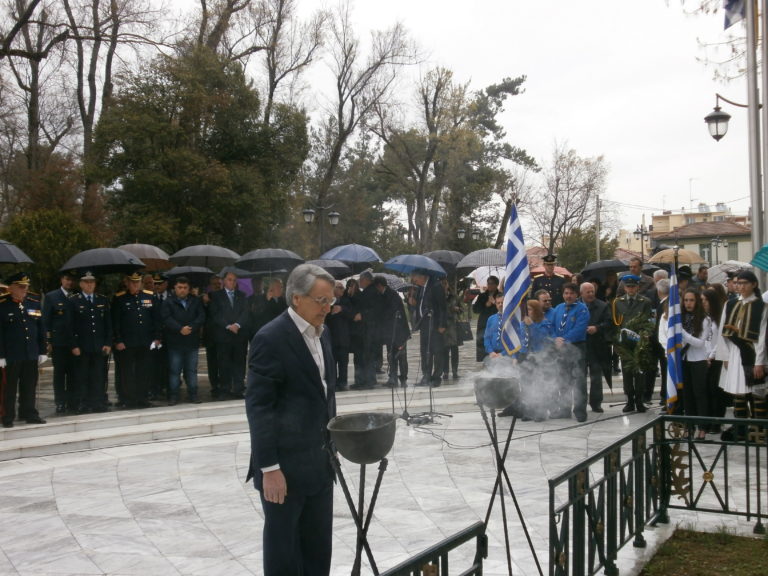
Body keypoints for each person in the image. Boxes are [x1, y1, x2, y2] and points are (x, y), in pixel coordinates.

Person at [245, 264, 337, 576]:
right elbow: (259, 408)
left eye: (331, 302)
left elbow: (326, 394)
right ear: (296, 298)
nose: (326, 309)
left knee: (317, 550)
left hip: (320, 465)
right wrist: (269, 468)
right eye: (320, 301)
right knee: (284, 555)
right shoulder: (270, 338)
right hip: (283, 471)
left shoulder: (324, 335)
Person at [714, 270, 768, 441]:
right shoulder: (730, 304)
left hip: (752, 353)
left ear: (754, 285)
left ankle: (759, 430)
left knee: (756, 392)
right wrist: (725, 357)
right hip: (735, 353)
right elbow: (723, 331)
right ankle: (741, 428)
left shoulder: (761, 306)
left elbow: (762, 336)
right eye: (738, 283)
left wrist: (760, 362)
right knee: (738, 391)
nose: (741, 286)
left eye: (745, 283)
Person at [0, 273, 47, 427]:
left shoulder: (33, 302)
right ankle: (8, 416)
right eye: (21, 287)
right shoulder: (3, 305)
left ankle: (29, 413)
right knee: (10, 387)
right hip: (12, 354)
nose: (24, 290)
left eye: (26, 287)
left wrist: (42, 351)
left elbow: (40, 329)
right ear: (11, 288)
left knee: (29, 385)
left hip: (30, 352)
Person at [112, 272, 161, 408]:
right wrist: (118, 340)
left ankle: (142, 398)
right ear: (127, 283)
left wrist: (157, 337)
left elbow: (156, 319)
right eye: (133, 282)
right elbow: (116, 322)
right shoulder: (120, 298)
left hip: (145, 341)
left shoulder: (149, 296)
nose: (135, 285)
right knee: (127, 372)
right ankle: (129, 399)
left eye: (137, 282)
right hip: (127, 342)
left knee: (144, 371)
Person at [70, 271, 112, 413]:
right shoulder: (74, 300)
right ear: (81, 284)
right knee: (82, 376)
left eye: (92, 282)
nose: (89, 285)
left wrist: (108, 342)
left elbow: (108, 324)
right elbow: (69, 325)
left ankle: (97, 402)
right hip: (82, 345)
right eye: (86, 282)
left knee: (98, 375)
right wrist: (74, 345)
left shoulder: (102, 300)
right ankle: (82, 403)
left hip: (98, 345)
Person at [611, 274, 653, 413]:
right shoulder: (618, 302)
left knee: (640, 372)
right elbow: (616, 323)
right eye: (628, 286)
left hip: (639, 342)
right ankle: (629, 400)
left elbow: (648, 322)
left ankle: (639, 400)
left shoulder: (645, 301)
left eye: (633, 286)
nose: (631, 289)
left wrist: (646, 335)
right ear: (624, 287)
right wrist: (616, 343)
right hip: (625, 343)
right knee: (627, 372)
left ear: (638, 287)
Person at [162, 276, 205, 405]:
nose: (182, 290)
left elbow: (201, 316)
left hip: (191, 341)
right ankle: (173, 396)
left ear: (188, 289)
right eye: (180, 287)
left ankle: (193, 394)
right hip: (175, 342)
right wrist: (180, 328)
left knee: (191, 370)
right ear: (175, 288)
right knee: (175, 370)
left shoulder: (195, 301)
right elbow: (166, 318)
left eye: (185, 288)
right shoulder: (168, 302)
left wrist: (191, 327)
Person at [549, 283, 589, 421]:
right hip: (561, 349)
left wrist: (564, 339)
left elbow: (580, 328)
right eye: (566, 293)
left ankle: (580, 411)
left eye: (571, 293)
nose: (568, 296)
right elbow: (552, 326)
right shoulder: (558, 308)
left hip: (576, 347)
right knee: (563, 380)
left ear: (577, 295)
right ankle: (564, 409)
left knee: (579, 380)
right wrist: (555, 338)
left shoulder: (582, 309)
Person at [208, 271, 250, 399]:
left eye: (234, 280)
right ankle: (224, 389)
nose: (232, 282)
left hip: (239, 335)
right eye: (230, 279)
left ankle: (238, 388)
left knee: (239, 362)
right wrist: (228, 326)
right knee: (224, 363)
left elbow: (245, 312)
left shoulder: (242, 295)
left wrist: (237, 325)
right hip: (224, 335)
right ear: (224, 281)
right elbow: (215, 314)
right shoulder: (216, 296)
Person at [679, 289, 713, 439]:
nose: (688, 303)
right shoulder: (680, 318)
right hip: (684, 359)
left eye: (691, 300)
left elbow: (699, 343)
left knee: (700, 394)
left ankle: (702, 427)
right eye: (686, 300)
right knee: (687, 395)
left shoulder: (705, 319)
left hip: (698, 360)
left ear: (697, 301)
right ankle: (689, 425)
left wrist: (683, 334)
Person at [42, 270, 77, 413]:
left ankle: (71, 401)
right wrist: (48, 341)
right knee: (59, 374)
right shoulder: (52, 296)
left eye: (71, 280)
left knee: (73, 373)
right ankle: (60, 401)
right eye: (67, 279)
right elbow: (46, 321)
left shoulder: (76, 296)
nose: (69, 282)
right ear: (62, 280)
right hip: (59, 342)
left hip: (74, 343)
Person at [409, 270, 447, 387]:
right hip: (424, 324)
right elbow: (422, 305)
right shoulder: (421, 288)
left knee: (437, 351)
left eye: (416, 279)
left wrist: (442, 325)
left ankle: (436, 377)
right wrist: (413, 302)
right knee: (425, 351)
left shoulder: (435, 286)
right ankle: (426, 376)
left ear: (423, 277)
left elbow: (442, 307)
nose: (415, 282)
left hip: (435, 324)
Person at [372, 276, 410, 387]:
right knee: (391, 356)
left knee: (401, 356)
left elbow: (390, 313)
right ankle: (392, 378)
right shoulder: (383, 295)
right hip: (390, 333)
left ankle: (403, 379)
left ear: (379, 285)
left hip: (399, 332)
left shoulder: (392, 295)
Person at [580, 281, 612, 413]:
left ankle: (596, 402)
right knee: (580, 376)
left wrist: (597, 328)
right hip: (580, 345)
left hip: (597, 345)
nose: (591, 294)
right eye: (587, 292)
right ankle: (580, 402)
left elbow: (609, 323)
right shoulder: (576, 305)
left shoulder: (603, 306)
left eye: (592, 291)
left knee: (596, 375)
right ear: (581, 293)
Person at [701, 287, 727, 433]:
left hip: (717, 358)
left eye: (705, 300)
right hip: (703, 358)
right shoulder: (704, 318)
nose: (703, 303)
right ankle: (708, 420)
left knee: (715, 390)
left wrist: (711, 355)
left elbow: (720, 340)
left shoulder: (719, 317)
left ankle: (717, 421)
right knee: (706, 391)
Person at [325, 281, 353, 391]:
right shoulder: (328, 301)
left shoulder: (346, 301)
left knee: (343, 361)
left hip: (343, 337)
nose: (342, 290)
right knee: (332, 362)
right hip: (332, 337)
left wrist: (342, 309)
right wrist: (331, 312)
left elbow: (352, 314)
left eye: (343, 288)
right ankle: (333, 382)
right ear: (333, 289)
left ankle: (343, 382)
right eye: (340, 287)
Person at [202, 275, 222, 399]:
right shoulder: (206, 297)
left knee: (223, 361)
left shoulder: (224, 296)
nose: (217, 286)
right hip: (211, 335)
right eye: (214, 284)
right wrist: (205, 304)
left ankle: (224, 384)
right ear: (210, 285)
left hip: (223, 335)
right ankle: (214, 385)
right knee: (212, 362)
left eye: (219, 283)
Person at [473, 276, 501, 361]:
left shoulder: (500, 295)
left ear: (496, 285)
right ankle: (483, 359)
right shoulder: (482, 296)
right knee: (483, 340)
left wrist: (494, 303)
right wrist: (486, 304)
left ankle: (497, 357)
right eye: (488, 283)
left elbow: (503, 308)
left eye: (492, 284)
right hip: (483, 322)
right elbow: (475, 310)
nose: (490, 285)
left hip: (496, 322)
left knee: (495, 339)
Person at [441, 278, 462, 380]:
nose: (444, 286)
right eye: (442, 284)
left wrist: (458, 309)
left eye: (445, 284)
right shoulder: (439, 297)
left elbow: (461, 309)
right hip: (443, 327)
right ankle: (445, 372)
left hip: (454, 327)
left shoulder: (454, 297)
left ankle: (455, 371)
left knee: (455, 351)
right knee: (444, 351)